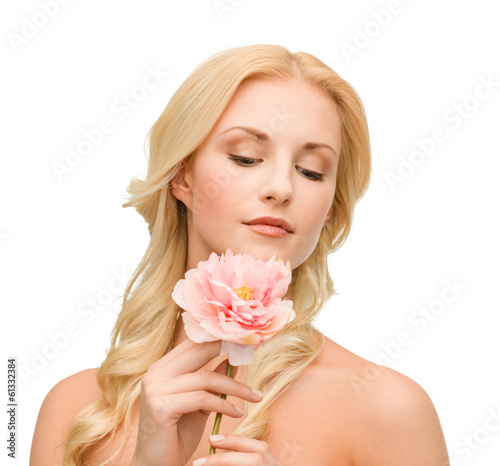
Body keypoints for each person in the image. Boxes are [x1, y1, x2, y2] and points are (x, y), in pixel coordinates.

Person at [30, 44, 450, 465]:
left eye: (311, 171)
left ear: (329, 210)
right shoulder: (77, 411)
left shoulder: (387, 409)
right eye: (245, 157)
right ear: (182, 176)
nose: (282, 188)